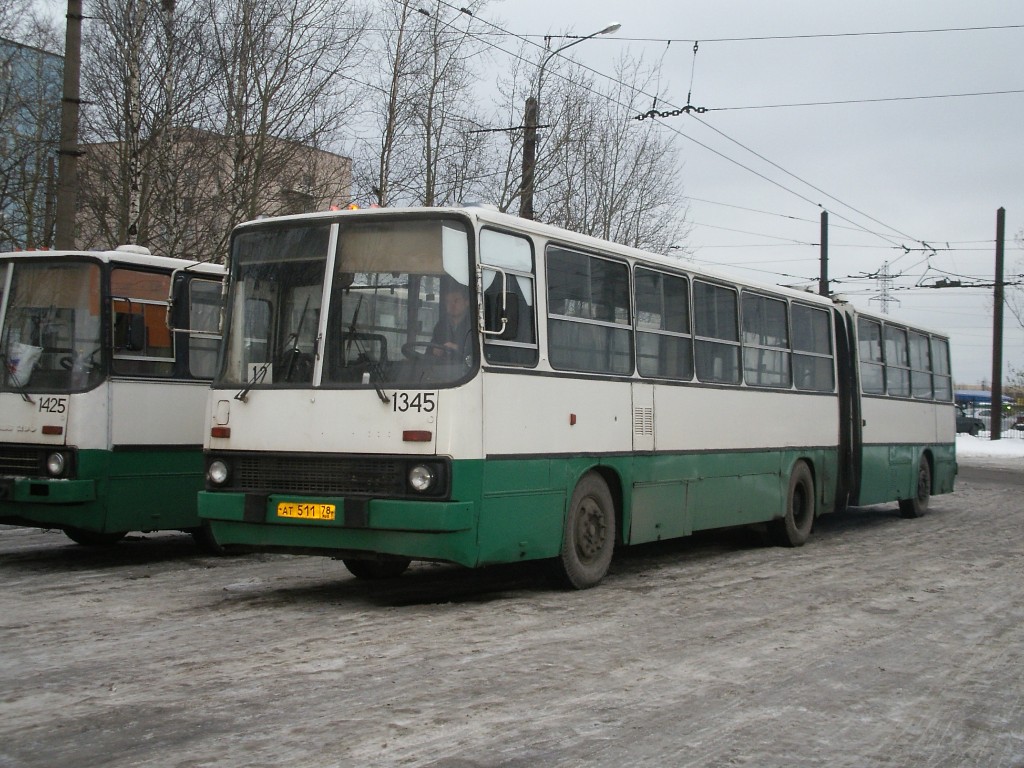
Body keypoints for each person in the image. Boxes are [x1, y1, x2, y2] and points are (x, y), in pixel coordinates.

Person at [430, 281, 473, 358]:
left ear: (467, 302)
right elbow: (429, 350)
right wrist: (434, 350)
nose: (452, 305)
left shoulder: (473, 325)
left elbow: (477, 354)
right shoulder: (441, 325)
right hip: (441, 367)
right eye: (448, 301)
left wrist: (457, 348)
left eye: (456, 301)